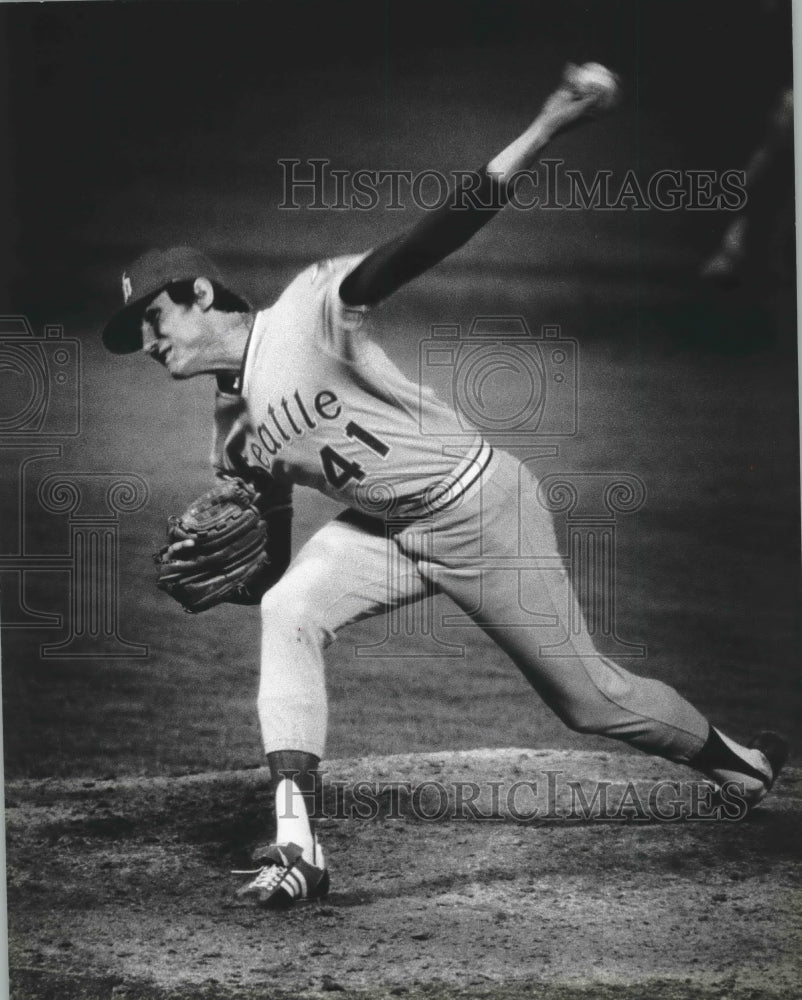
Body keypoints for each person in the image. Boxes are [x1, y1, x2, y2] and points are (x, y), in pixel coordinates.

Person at [102, 64, 787, 908]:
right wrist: (234, 584)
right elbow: (274, 570)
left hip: (481, 508)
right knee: (291, 614)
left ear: (200, 292)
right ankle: (298, 844)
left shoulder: (310, 309)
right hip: (385, 532)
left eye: (152, 319)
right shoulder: (230, 434)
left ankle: (742, 769)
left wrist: (547, 125)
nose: (146, 342)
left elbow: (438, 233)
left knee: (592, 701)